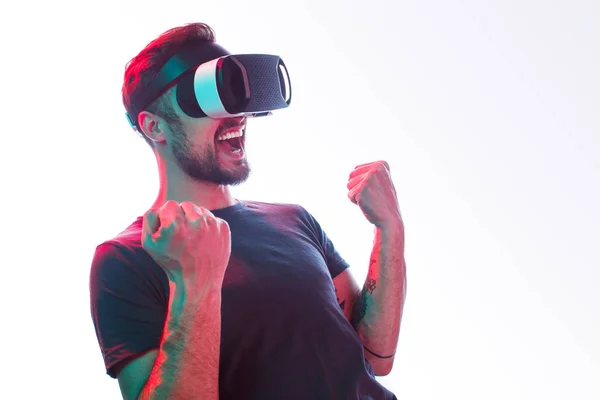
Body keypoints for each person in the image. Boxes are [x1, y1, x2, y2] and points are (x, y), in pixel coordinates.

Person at [89, 22, 407, 400]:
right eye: (207, 97)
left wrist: (389, 231)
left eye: (237, 96)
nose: (237, 116)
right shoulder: (128, 257)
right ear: (155, 127)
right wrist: (194, 286)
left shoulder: (294, 220)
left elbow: (375, 355)